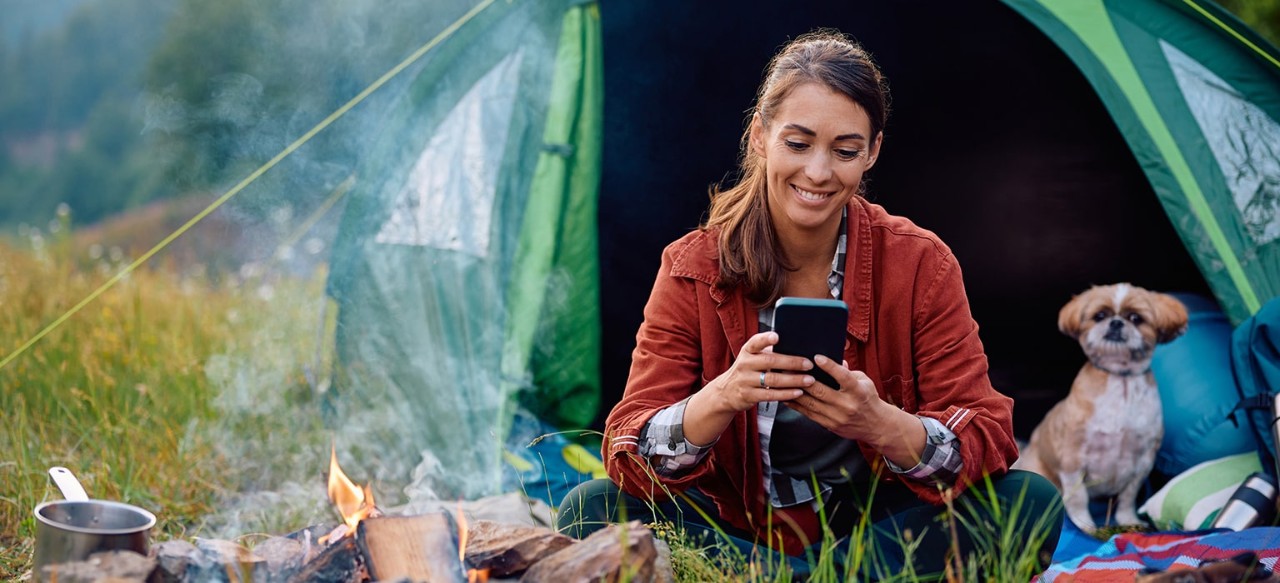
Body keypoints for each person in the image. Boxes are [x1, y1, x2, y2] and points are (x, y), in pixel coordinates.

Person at [557, 30, 1062, 578]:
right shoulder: (693, 265)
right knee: (589, 511)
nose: (818, 173)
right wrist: (722, 397)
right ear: (760, 137)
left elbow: (987, 433)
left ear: (872, 152)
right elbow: (629, 444)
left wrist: (881, 423)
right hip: (738, 526)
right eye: (797, 144)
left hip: (872, 526)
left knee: (1029, 501)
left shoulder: (920, 263)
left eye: (845, 151)